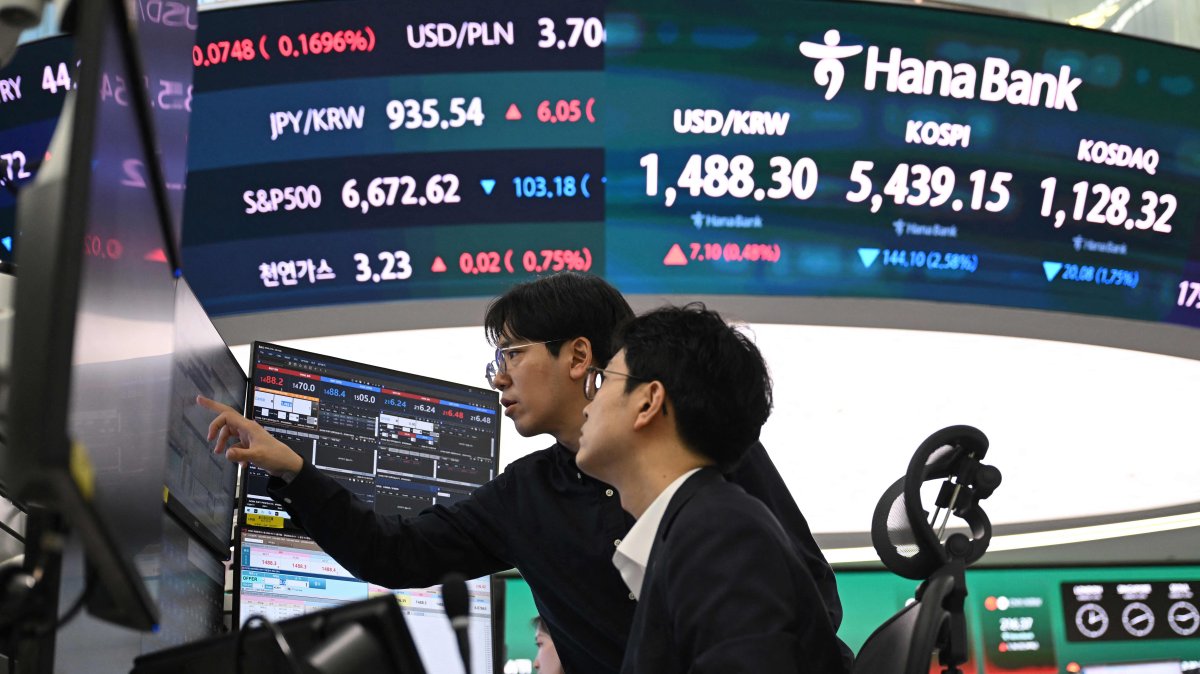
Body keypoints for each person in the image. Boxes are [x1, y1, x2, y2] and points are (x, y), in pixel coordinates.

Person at [198, 272, 849, 673]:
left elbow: (806, 602)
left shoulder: (705, 476)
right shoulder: (528, 496)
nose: (498, 378)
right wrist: (295, 471)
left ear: (581, 357)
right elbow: (393, 552)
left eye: (511, 352)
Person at [576, 304, 847, 673]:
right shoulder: (701, 527)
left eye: (603, 380)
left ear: (648, 401)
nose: (588, 404)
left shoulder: (721, 535)